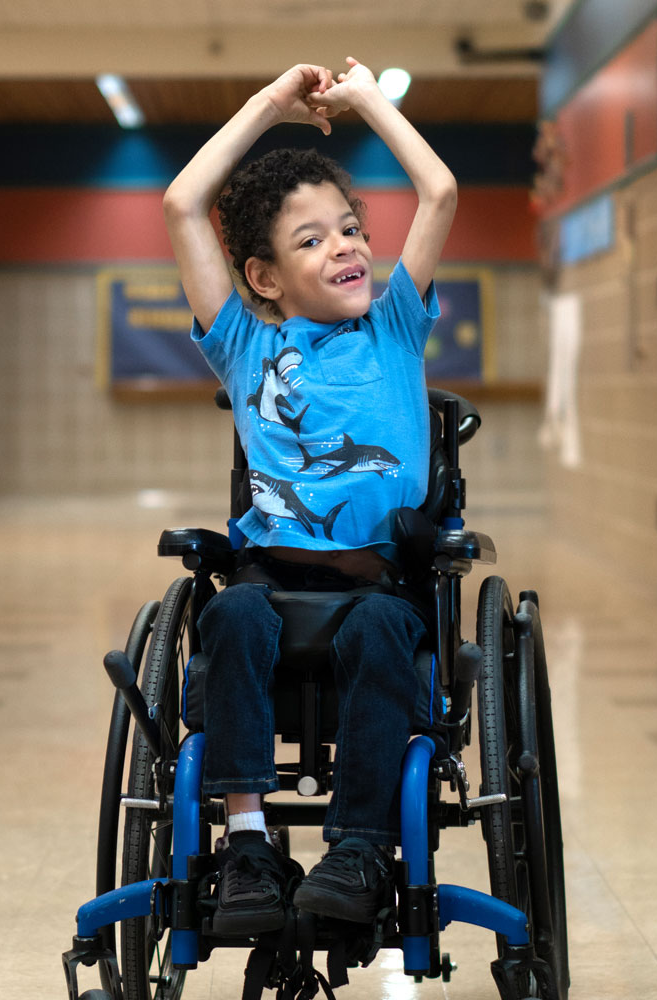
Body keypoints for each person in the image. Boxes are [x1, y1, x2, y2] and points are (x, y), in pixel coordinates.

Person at [162, 58, 457, 936]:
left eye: (352, 228)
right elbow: (182, 205)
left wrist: (367, 101)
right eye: (313, 240)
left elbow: (437, 190)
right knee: (231, 621)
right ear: (261, 276)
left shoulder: (397, 323)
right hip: (270, 577)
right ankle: (248, 842)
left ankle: (358, 849)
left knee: (377, 633)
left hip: (377, 582)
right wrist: (267, 106)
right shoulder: (245, 348)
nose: (347, 247)